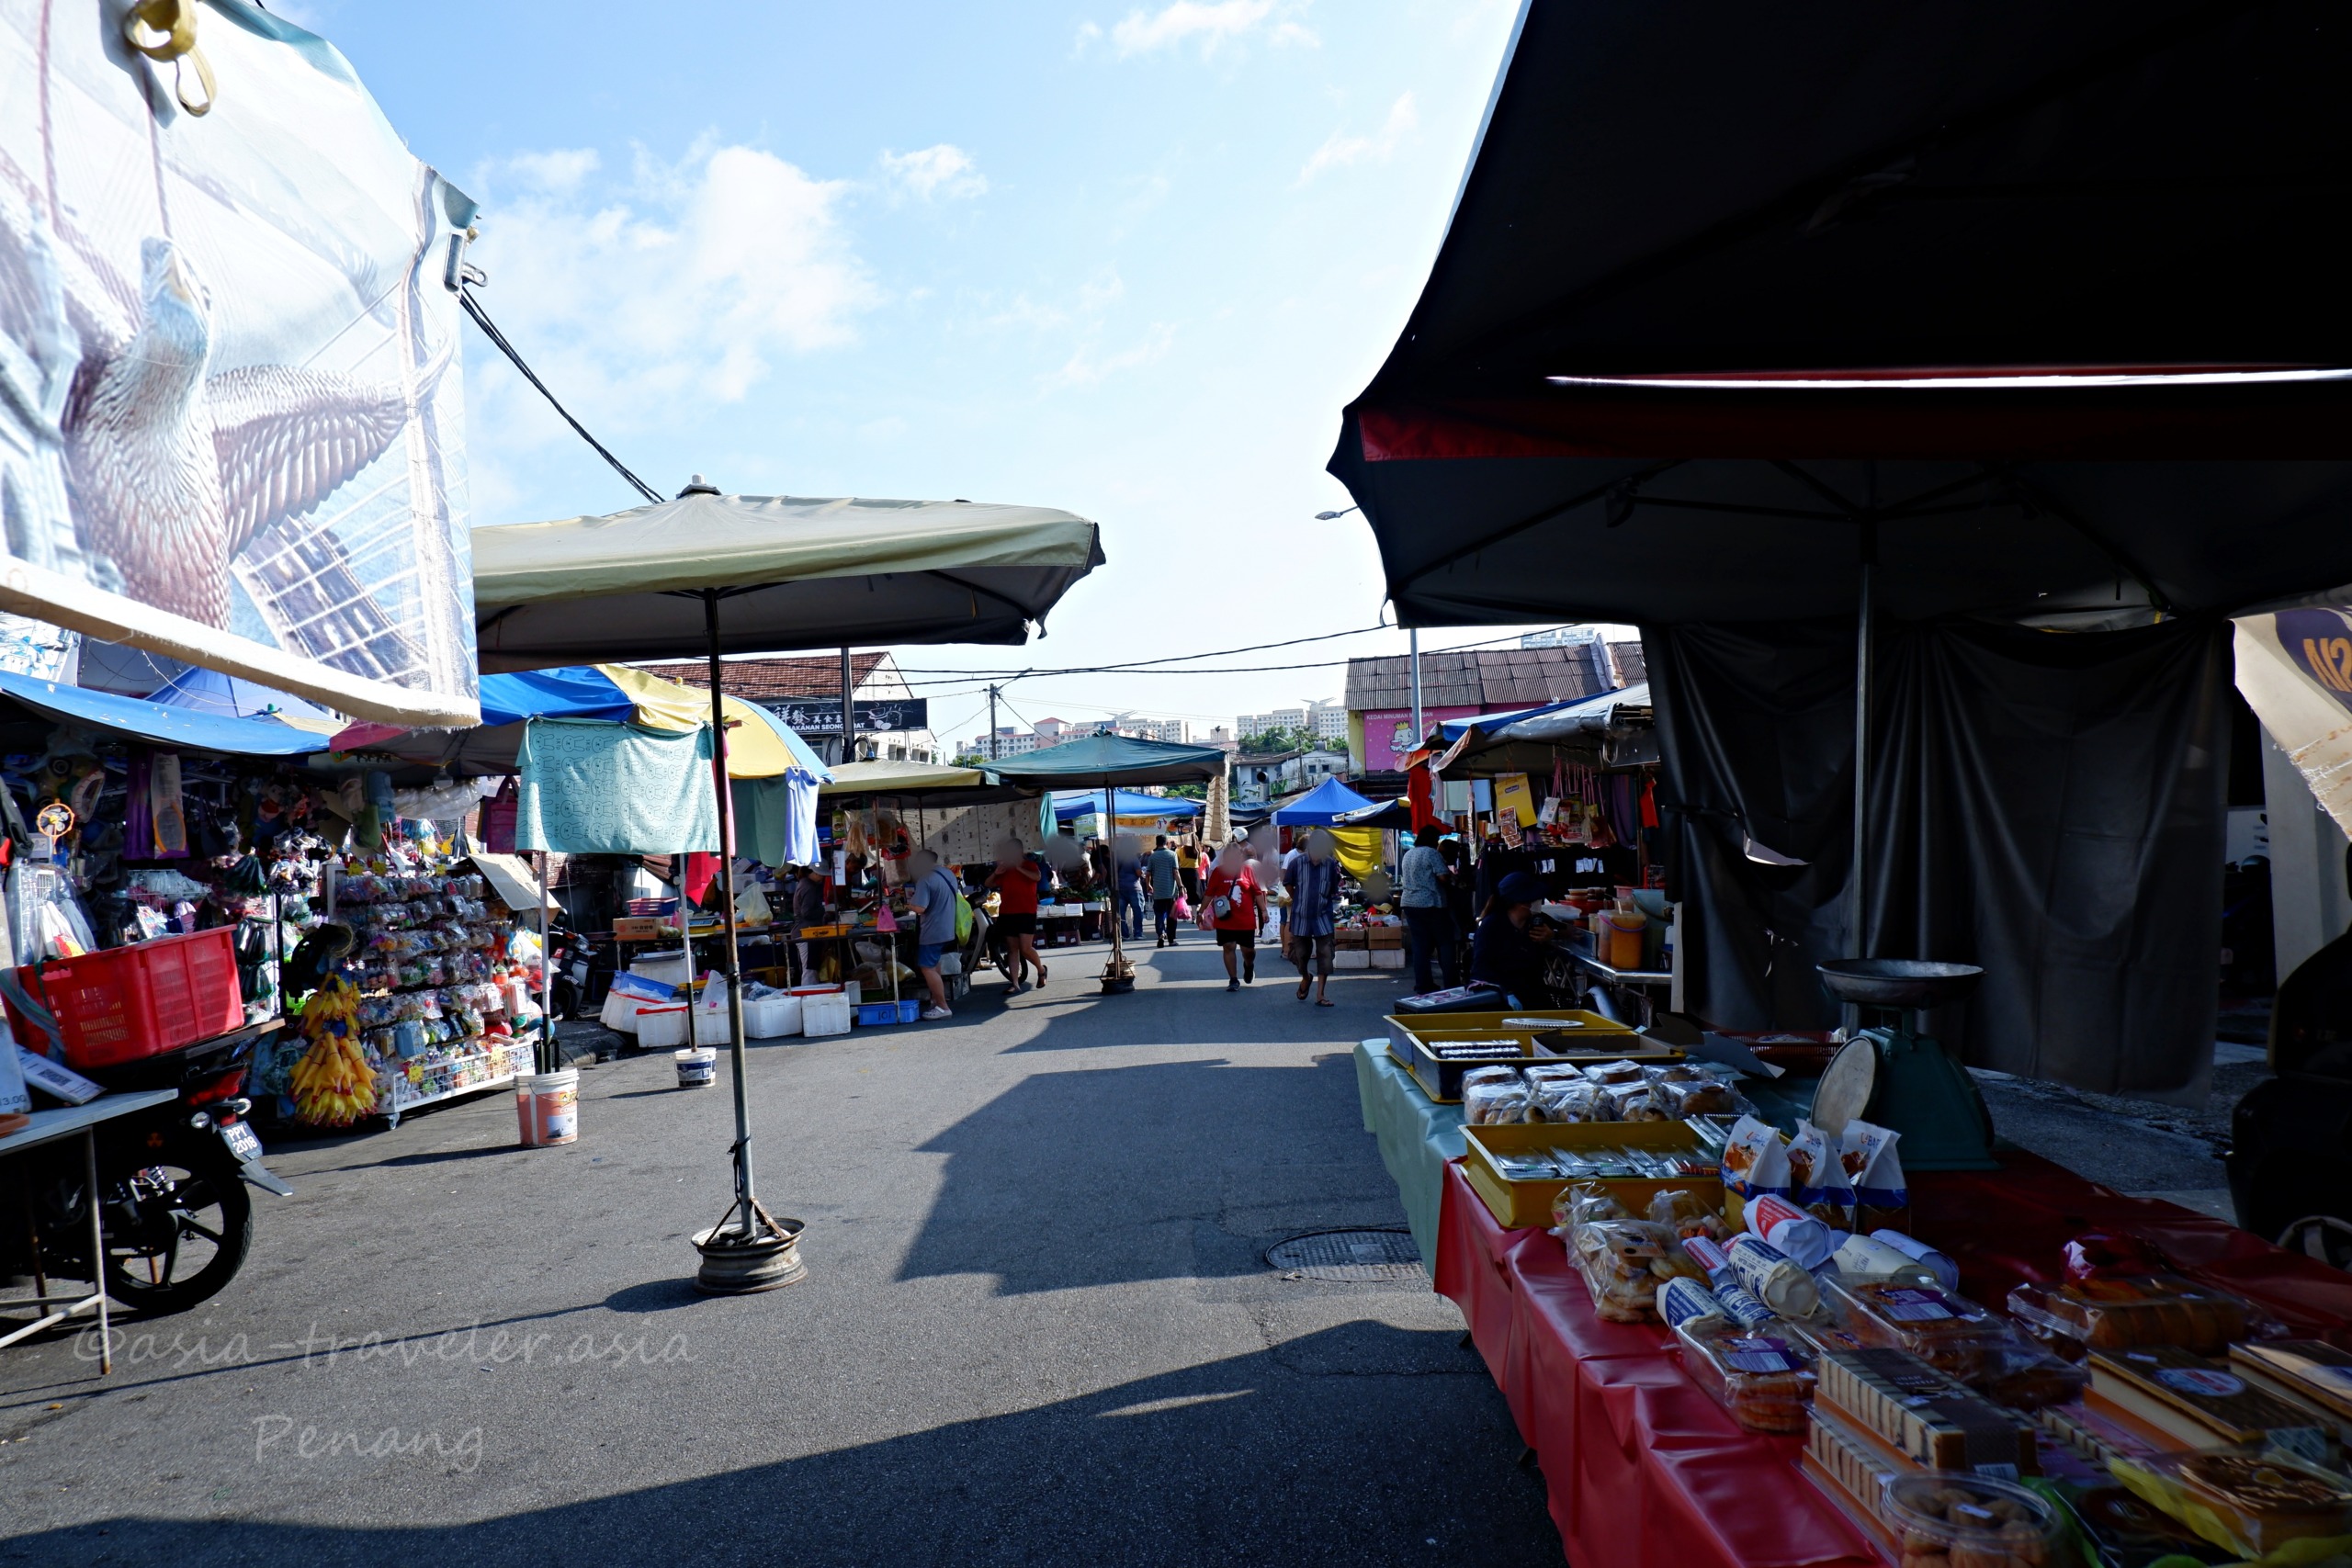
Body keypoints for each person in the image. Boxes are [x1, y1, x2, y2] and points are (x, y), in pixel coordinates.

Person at [1470, 870, 1552, 1005]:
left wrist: (1551, 936)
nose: (1535, 904)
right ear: (1520, 902)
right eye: (1532, 900)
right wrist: (1505, 994)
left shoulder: (1535, 922)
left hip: (1531, 994)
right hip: (1499, 996)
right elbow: (1481, 969)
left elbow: (1565, 931)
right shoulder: (1491, 926)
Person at [1283, 829, 1341, 1006]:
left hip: (1323, 916)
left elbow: (1333, 890)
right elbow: (1288, 885)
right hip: (1301, 917)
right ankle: (1306, 976)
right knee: (1299, 956)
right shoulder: (1297, 863)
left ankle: (1320, 994)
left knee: (1325, 954)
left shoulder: (1331, 865)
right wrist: (1299, 900)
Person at [904, 849, 963, 1021]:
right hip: (946, 927)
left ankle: (943, 1007)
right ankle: (936, 1002)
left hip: (932, 930)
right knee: (934, 964)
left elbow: (920, 908)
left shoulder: (926, 879)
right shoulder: (947, 873)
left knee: (926, 967)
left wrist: (908, 905)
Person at [1398, 827, 1457, 992]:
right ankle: (1451, 983)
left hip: (1409, 903)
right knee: (1444, 943)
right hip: (1431, 903)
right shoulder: (1432, 853)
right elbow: (1443, 877)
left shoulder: (1408, 854)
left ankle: (1423, 984)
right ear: (1432, 839)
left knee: (1420, 946)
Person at [986, 837, 1046, 993]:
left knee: (1025, 948)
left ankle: (1041, 969)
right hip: (1007, 911)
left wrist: (1018, 867)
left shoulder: (1029, 864)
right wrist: (996, 872)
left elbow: (1037, 877)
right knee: (1012, 949)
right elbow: (989, 884)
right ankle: (1015, 983)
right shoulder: (1004, 868)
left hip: (1026, 911)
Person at [1204, 841, 1263, 991]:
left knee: (1248, 951)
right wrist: (1200, 912)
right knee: (1228, 946)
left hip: (1245, 918)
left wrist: (1264, 911)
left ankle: (1248, 966)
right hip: (1225, 917)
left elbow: (1257, 892)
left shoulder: (1248, 870)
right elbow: (1209, 893)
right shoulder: (1218, 872)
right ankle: (1233, 979)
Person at [790, 863, 828, 985]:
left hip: (805, 932)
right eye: (821, 874)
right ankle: (808, 996)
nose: (822, 878)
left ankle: (810, 995)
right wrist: (824, 909)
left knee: (810, 968)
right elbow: (807, 913)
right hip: (806, 932)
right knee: (810, 970)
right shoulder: (809, 887)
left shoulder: (805, 884)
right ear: (814, 872)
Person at [1146, 834, 1182, 947]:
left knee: (1159, 915)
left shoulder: (1153, 856)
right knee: (1171, 916)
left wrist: (1148, 885)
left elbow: (1148, 874)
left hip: (1158, 892)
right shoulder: (1172, 855)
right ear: (1167, 843)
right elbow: (1175, 872)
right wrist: (1181, 886)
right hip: (1170, 892)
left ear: (1156, 844)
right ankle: (1171, 940)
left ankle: (1161, 934)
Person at [1117, 836, 1148, 942]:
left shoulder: (1117, 857)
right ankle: (1138, 933)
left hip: (1120, 888)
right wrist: (1143, 874)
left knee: (1121, 913)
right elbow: (1139, 872)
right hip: (1134, 888)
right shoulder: (1132, 857)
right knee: (1138, 911)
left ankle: (1124, 934)